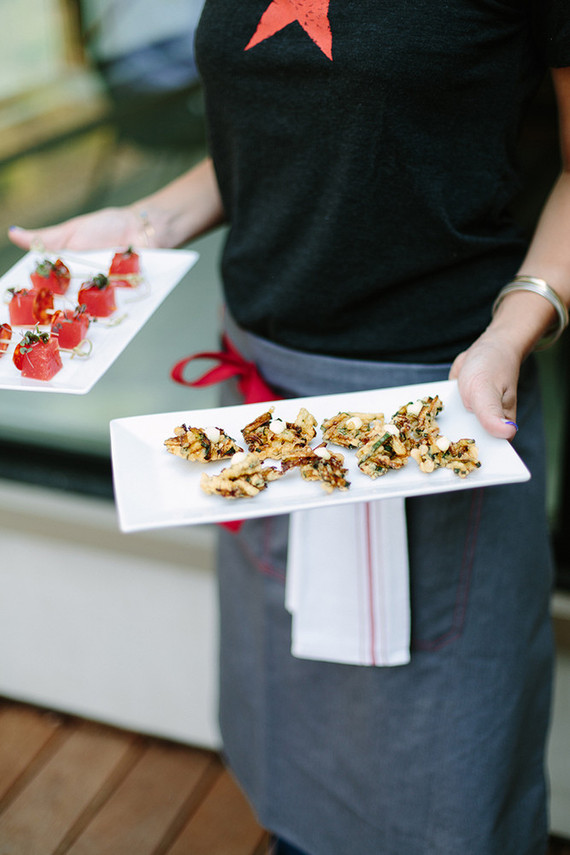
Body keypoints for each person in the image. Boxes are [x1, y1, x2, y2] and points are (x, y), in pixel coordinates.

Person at [9, 3, 570, 853]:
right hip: (265, 404)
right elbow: (284, 131)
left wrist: (519, 323)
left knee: (448, 766)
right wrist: (145, 224)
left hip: (433, 408)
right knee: (292, 730)